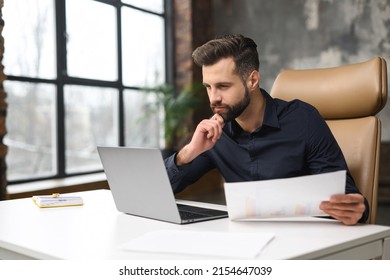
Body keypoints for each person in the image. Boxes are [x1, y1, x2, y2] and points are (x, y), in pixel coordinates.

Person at [164, 34, 368, 225]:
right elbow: (160, 190)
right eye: (208, 87)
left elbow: (348, 199)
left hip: (304, 240)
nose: (213, 98)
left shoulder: (303, 120)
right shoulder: (215, 134)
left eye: (223, 86)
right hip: (246, 243)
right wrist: (189, 152)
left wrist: (354, 209)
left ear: (252, 80)